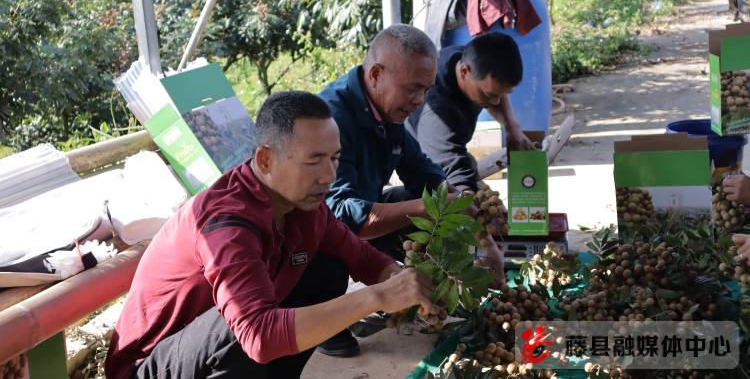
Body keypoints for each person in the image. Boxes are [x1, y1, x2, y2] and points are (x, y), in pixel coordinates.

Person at [104, 91, 437, 379]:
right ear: (265, 159)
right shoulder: (227, 223)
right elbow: (257, 335)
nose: (329, 177)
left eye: (335, 159)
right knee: (238, 326)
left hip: (214, 354)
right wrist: (377, 298)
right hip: (149, 367)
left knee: (328, 268)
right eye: (314, 161)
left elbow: (359, 256)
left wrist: (404, 282)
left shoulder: (304, 205)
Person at [315, 24, 506, 357]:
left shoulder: (387, 113)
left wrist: (481, 235)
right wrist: (426, 207)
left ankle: (424, 293)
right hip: (310, 229)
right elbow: (340, 214)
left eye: (426, 90)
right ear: (376, 74)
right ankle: (325, 318)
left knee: (416, 200)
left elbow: (425, 174)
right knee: (405, 210)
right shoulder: (331, 119)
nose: (419, 101)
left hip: (354, 216)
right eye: (412, 89)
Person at [407, 33, 535, 193]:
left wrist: (512, 126)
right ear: (463, 72)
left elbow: (497, 93)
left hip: (450, 145)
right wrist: (470, 201)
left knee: (470, 167)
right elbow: (453, 172)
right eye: (489, 95)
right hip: (424, 159)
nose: (496, 102)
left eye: (500, 95)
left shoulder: (468, 58)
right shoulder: (437, 115)